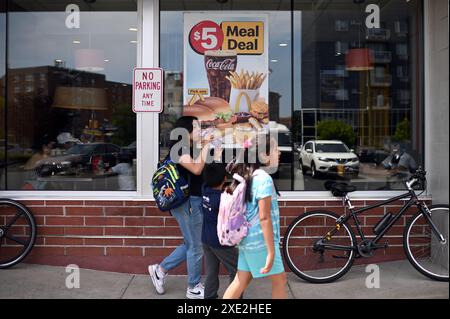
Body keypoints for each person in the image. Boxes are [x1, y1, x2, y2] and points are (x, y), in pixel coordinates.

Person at [148, 116, 214, 299]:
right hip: (187, 203)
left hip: (194, 201)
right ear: (186, 130)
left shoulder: (191, 147)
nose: (200, 130)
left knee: (191, 243)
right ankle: (193, 287)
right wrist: (207, 145)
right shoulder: (180, 148)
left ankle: (160, 270)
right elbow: (196, 169)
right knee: (196, 246)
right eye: (196, 126)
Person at [223, 135, 287, 299]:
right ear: (264, 156)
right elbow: (264, 218)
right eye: (274, 149)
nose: (278, 152)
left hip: (247, 239)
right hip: (261, 242)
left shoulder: (250, 176)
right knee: (280, 280)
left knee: (240, 280)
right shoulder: (264, 179)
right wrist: (271, 252)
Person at [201, 162, 240, 299]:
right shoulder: (222, 200)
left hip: (206, 239)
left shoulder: (205, 190)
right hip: (220, 241)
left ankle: (209, 297)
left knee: (211, 272)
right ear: (224, 179)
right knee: (237, 270)